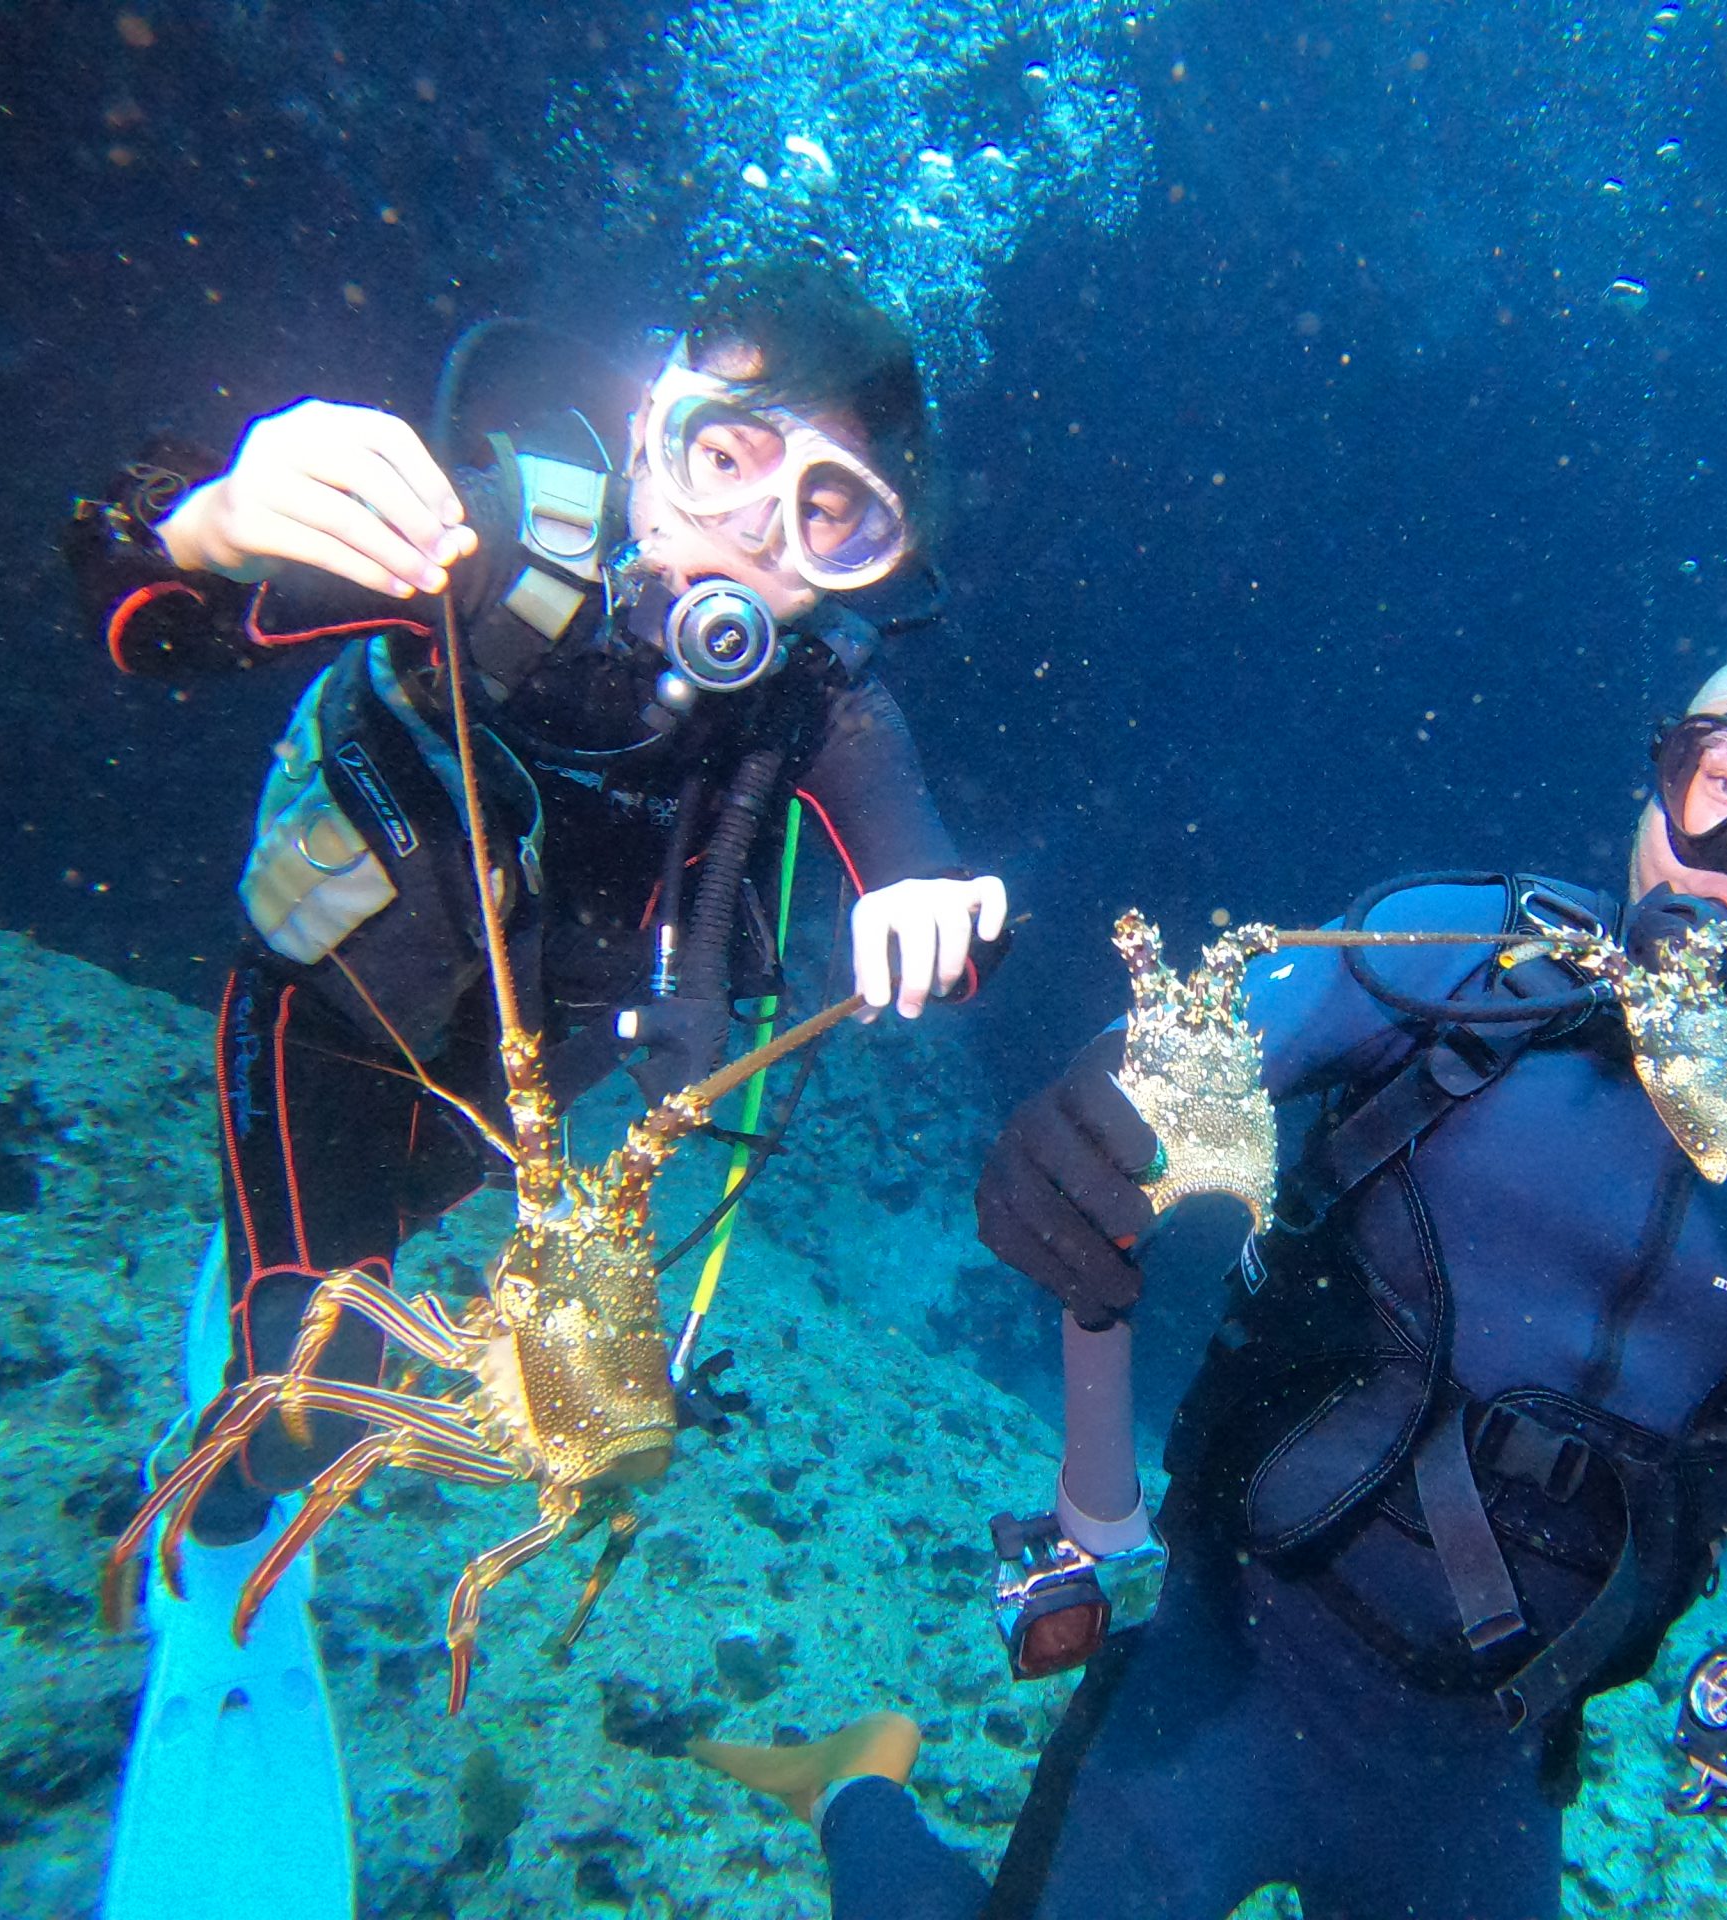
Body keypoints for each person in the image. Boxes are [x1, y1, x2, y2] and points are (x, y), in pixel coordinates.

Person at [693, 635, 1727, 1919]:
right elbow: (1229, 1020)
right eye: (1724, 786)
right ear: (1660, 789)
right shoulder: (1464, 959)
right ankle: (857, 1787)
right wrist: (1099, 1111)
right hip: (1225, 1666)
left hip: (1492, 1763)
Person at [66, 262, 1010, 1920]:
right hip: (322, 1026)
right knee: (308, 1394)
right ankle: (210, 1567)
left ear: (874, 560)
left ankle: (291, 1291)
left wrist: (938, 909)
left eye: (832, 515)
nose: (755, 536)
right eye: (726, 455)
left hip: (509, 1107)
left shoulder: (819, 696)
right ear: (648, 431)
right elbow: (147, 614)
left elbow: (919, 865)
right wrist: (208, 521)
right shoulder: (489, 540)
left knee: (361, 1284)